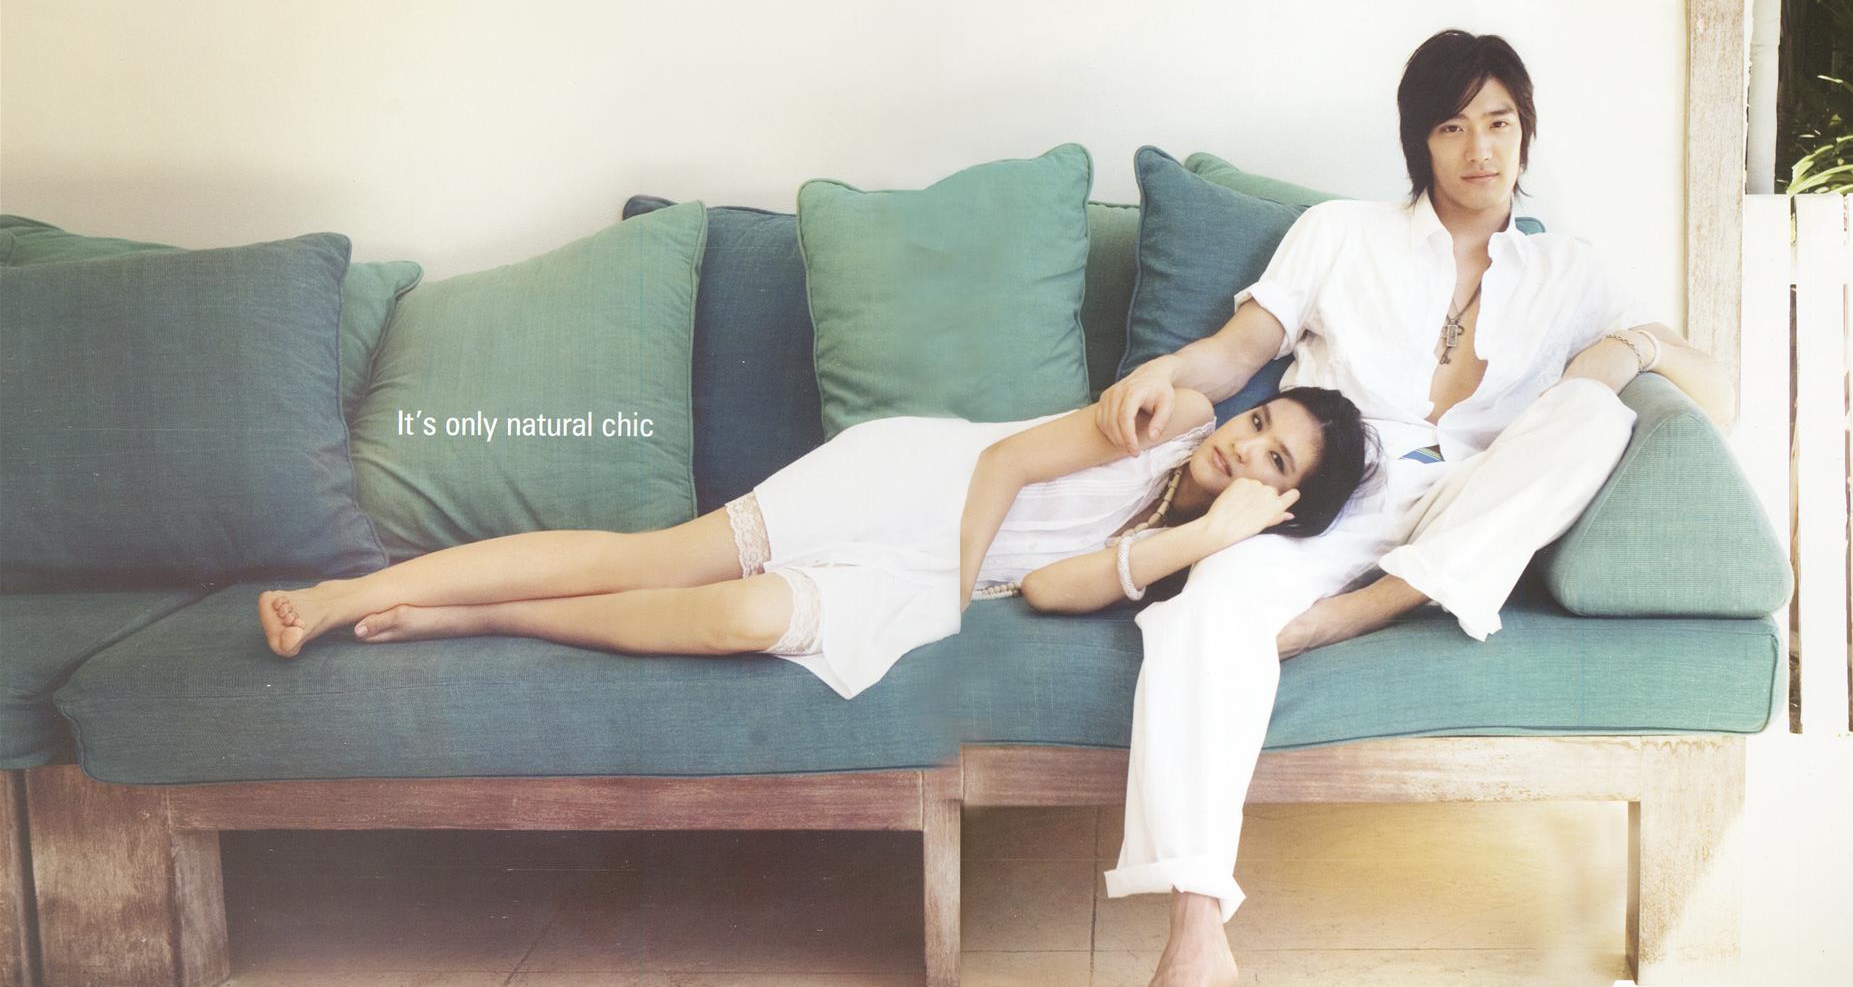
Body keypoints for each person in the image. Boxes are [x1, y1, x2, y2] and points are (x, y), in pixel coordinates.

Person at [1094, 29, 1738, 987]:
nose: (1481, 149)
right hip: (1336, 491)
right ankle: (1196, 925)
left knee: (1592, 412)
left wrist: (1636, 343)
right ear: (1418, 141)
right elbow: (1238, 352)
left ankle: (1364, 610)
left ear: (1525, 133)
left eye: (1500, 123)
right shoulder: (1340, 234)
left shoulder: (1570, 269)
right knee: (1211, 605)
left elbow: (1719, 396)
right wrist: (1161, 374)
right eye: (1452, 126)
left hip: (1469, 502)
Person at [258, 386, 1375, 702]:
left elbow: (1049, 587)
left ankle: (483, 610)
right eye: (1263, 422)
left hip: (931, 573)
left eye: (1274, 459)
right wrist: (948, 587)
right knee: (658, 557)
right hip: (915, 488)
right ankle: (351, 592)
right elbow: (1000, 464)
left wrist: (1209, 536)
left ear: (1283, 504)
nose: (1246, 444)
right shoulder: (1165, 421)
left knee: (740, 618)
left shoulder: (1217, 554)